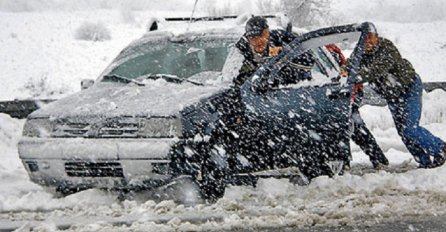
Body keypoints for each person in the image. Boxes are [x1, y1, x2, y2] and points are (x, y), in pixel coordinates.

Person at [350, 32, 446, 168]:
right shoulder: (359, 51)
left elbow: (377, 70)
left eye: (370, 39)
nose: (368, 43)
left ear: (376, 37)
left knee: (410, 129)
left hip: (408, 88)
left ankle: (440, 148)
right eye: (365, 40)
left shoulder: (387, 48)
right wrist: (344, 71)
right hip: (392, 95)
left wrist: (354, 77)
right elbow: (351, 65)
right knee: (403, 133)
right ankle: (424, 162)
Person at [326, 44, 389, 169]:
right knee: (350, 128)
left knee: (353, 127)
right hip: (344, 95)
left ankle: (376, 159)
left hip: (346, 96)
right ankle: (376, 158)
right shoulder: (326, 52)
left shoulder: (329, 53)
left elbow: (342, 76)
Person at [233, 16, 314, 88]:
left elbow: (309, 59)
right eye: (253, 38)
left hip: (297, 91)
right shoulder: (241, 49)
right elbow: (231, 79)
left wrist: (285, 54)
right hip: (255, 99)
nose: (258, 41)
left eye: (261, 35)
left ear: (267, 32)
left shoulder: (283, 38)